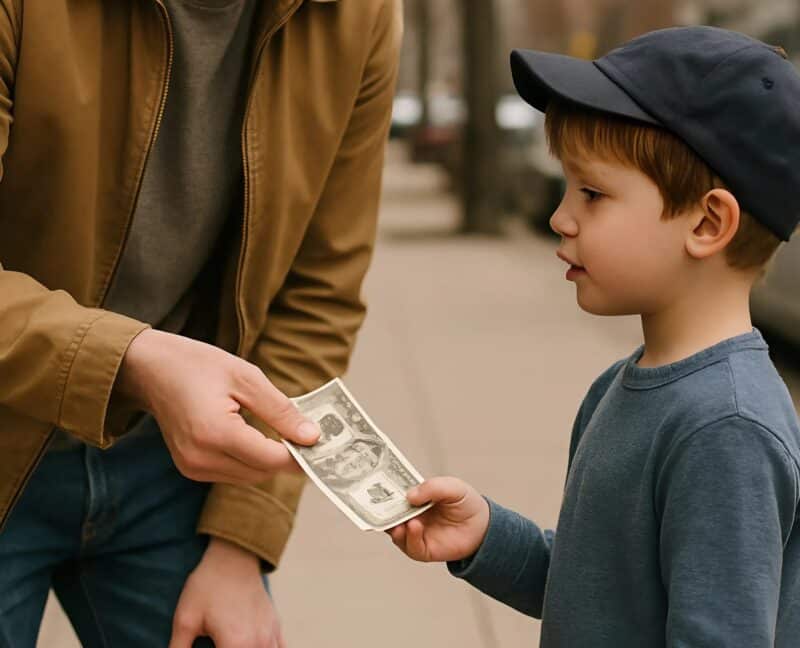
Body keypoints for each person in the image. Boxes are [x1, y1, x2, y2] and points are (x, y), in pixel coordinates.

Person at [0, 1, 402, 646]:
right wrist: (130, 360)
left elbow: (317, 291)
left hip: (176, 473)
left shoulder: (358, 15)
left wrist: (242, 540)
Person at [388, 26, 800, 647]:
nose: (560, 217)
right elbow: (603, 591)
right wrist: (487, 536)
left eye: (592, 193)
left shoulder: (726, 427)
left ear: (709, 222)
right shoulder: (628, 383)